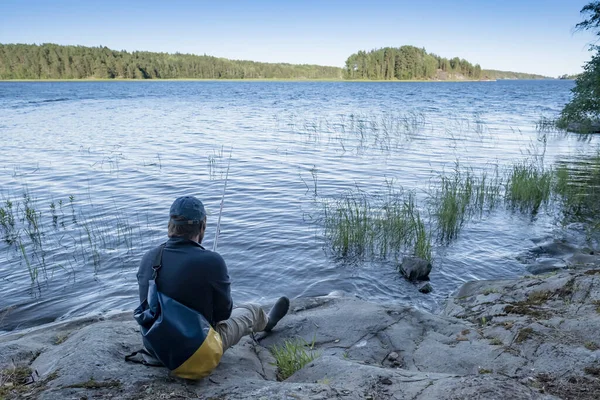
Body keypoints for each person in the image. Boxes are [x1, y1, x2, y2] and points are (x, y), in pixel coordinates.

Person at [136, 195, 289, 369]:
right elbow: (223, 314)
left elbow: (145, 306)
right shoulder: (212, 261)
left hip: (154, 348)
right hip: (194, 355)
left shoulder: (149, 257)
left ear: (170, 225)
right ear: (202, 226)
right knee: (251, 310)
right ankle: (266, 322)